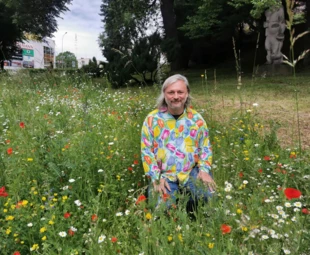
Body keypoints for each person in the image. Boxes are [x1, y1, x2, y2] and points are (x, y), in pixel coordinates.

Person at [141, 74, 215, 211]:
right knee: (162, 210)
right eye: (171, 92)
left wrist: (204, 170)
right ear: (164, 94)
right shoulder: (152, 119)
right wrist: (156, 177)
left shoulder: (196, 119)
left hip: (190, 172)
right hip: (164, 174)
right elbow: (146, 151)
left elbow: (205, 147)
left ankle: (191, 206)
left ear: (187, 94)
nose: (176, 96)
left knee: (206, 198)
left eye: (180, 92)